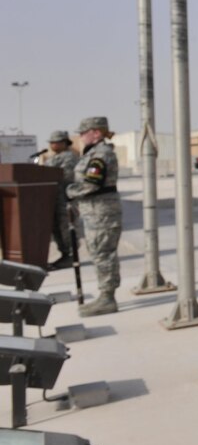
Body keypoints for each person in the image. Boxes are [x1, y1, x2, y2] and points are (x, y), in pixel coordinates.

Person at [67, 117, 122, 316]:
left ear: (96, 132)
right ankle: (105, 295)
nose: (80, 137)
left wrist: (70, 192)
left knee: (103, 253)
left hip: (102, 213)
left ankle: (107, 298)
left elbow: (92, 183)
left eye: (83, 132)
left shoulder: (101, 155)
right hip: (95, 211)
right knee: (100, 253)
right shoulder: (93, 153)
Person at [45, 130, 79, 270]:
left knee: (65, 228)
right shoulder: (55, 157)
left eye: (56, 142)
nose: (53, 145)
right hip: (56, 198)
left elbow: (66, 176)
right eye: (51, 142)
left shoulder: (69, 157)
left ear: (64, 143)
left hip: (66, 199)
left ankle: (70, 256)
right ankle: (65, 255)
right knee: (57, 228)